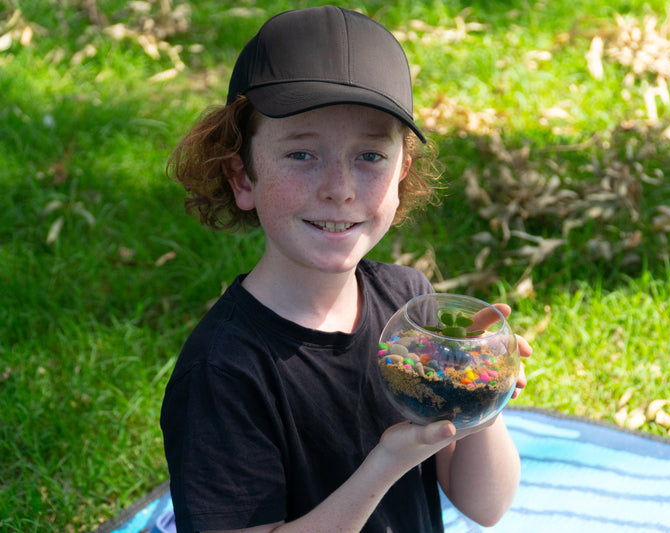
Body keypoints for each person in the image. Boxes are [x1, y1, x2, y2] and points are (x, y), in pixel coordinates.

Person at [160, 6, 531, 533]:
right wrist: (388, 463)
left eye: (370, 157)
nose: (340, 188)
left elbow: (486, 505)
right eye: (302, 155)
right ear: (242, 176)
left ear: (402, 170)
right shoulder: (223, 372)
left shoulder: (411, 309)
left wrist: (479, 399)